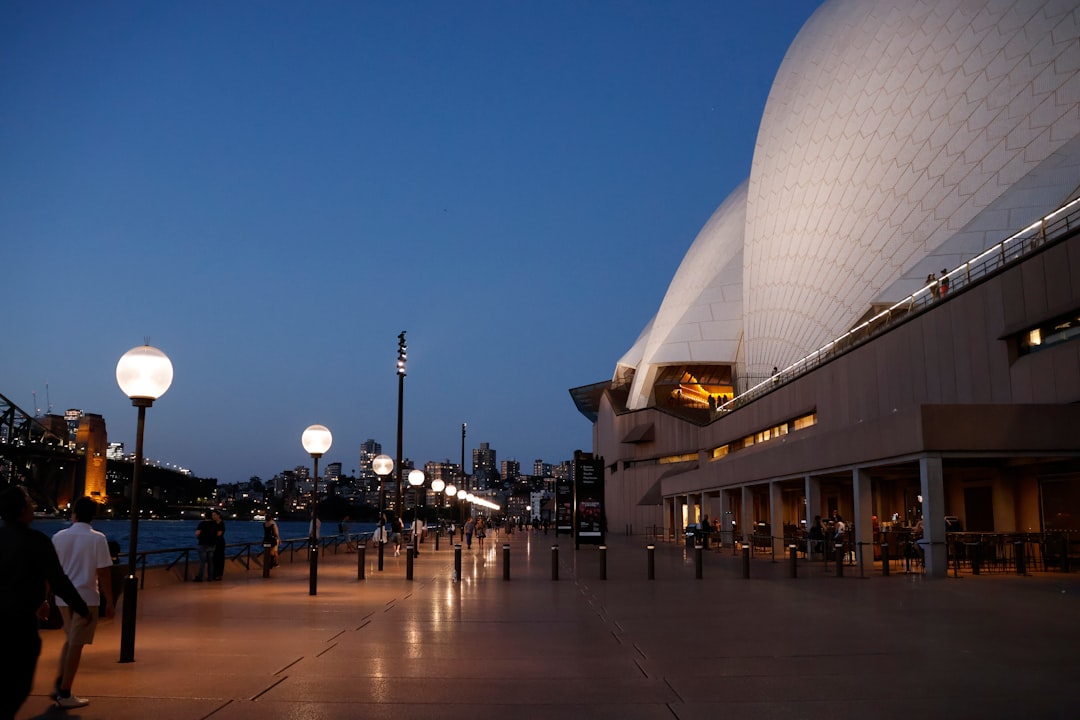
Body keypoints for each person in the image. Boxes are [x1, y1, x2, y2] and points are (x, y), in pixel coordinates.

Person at [0, 485, 90, 719]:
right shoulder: (36, 541)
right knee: (19, 682)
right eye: (29, 503)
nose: (32, 507)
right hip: (21, 624)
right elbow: (58, 580)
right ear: (22, 511)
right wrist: (82, 608)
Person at [50, 496, 116, 709]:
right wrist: (110, 601)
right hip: (86, 598)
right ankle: (65, 693)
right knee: (76, 645)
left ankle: (61, 683)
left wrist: (45, 598)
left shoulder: (58, 537)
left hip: (62, 599)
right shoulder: (98, 539)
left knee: (70, 641)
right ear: (93, 516)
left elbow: (51, 570)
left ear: (74, 514)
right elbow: (104, 574)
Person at [194, 512, 219, 582]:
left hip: (203, 544)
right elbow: (217, 534)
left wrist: (199, 538)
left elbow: (197, 533)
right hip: (212, 544)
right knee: (210, 562)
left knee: (202, 562)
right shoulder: (215, 524)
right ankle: (210, 577)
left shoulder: (202, 523)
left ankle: (200, 577)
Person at [211, 510, 226, 581]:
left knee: (220, 558)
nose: (213, 516)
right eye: (212, 515)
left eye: (214, 515)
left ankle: (219, 574)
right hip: (214, 542)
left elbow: (219, 533)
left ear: (218, 515)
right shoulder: (212, 523)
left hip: (220, 543)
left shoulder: (221, 523)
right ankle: (214, 574)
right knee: (214, 559)